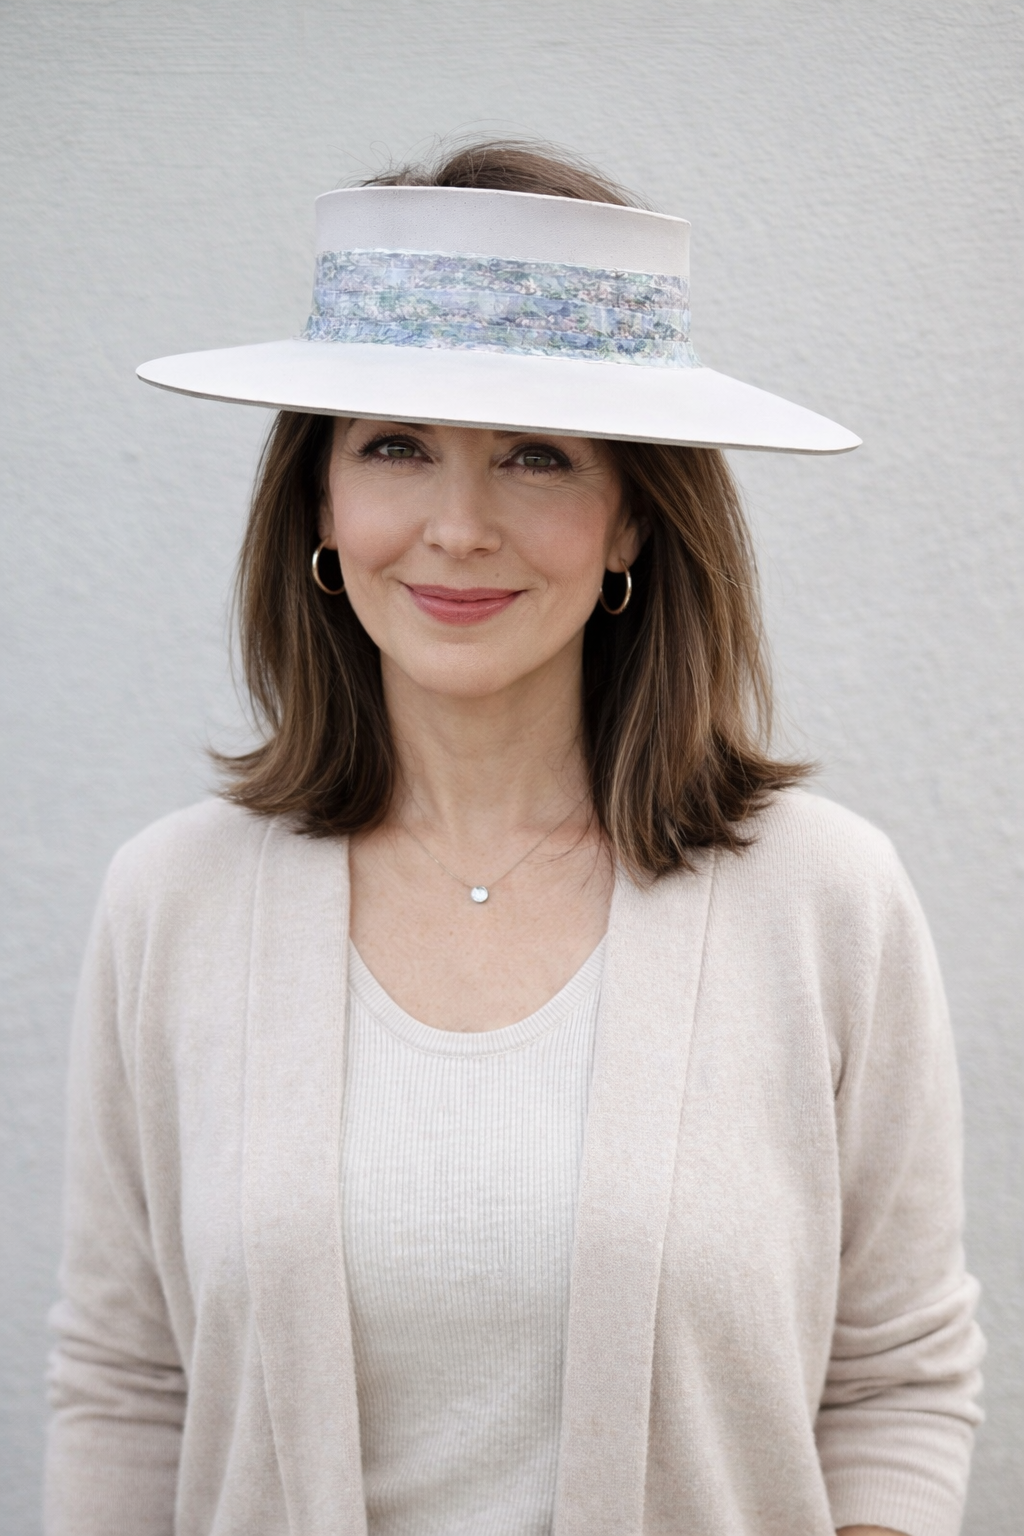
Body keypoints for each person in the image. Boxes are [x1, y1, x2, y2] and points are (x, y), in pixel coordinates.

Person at [44, 141, 982, 1536]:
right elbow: (124, 1387)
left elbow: (898, 1376)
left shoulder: (822, 898)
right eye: (395, 447)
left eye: (537, 456)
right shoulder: (172, 900)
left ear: (632, 524)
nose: (459, 526)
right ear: (320, 500)